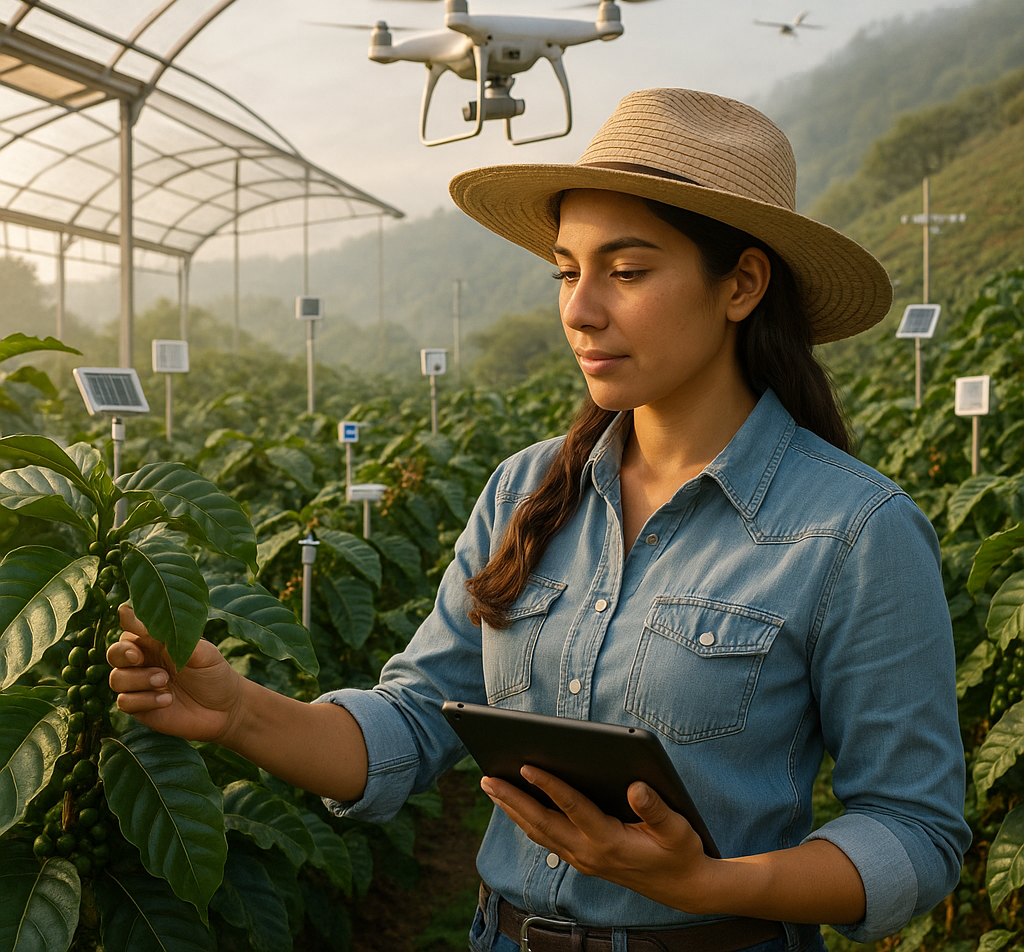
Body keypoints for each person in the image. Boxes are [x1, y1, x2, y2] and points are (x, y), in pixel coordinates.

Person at [109, 89, 971, 952]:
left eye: (626, 272)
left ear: (741, 283)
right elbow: (415, 718)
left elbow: (914, 830)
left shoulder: (855, 529)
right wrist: (236, 713)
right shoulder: (526, 490)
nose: (579, 309)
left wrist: (704, 881)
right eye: (567, 269)